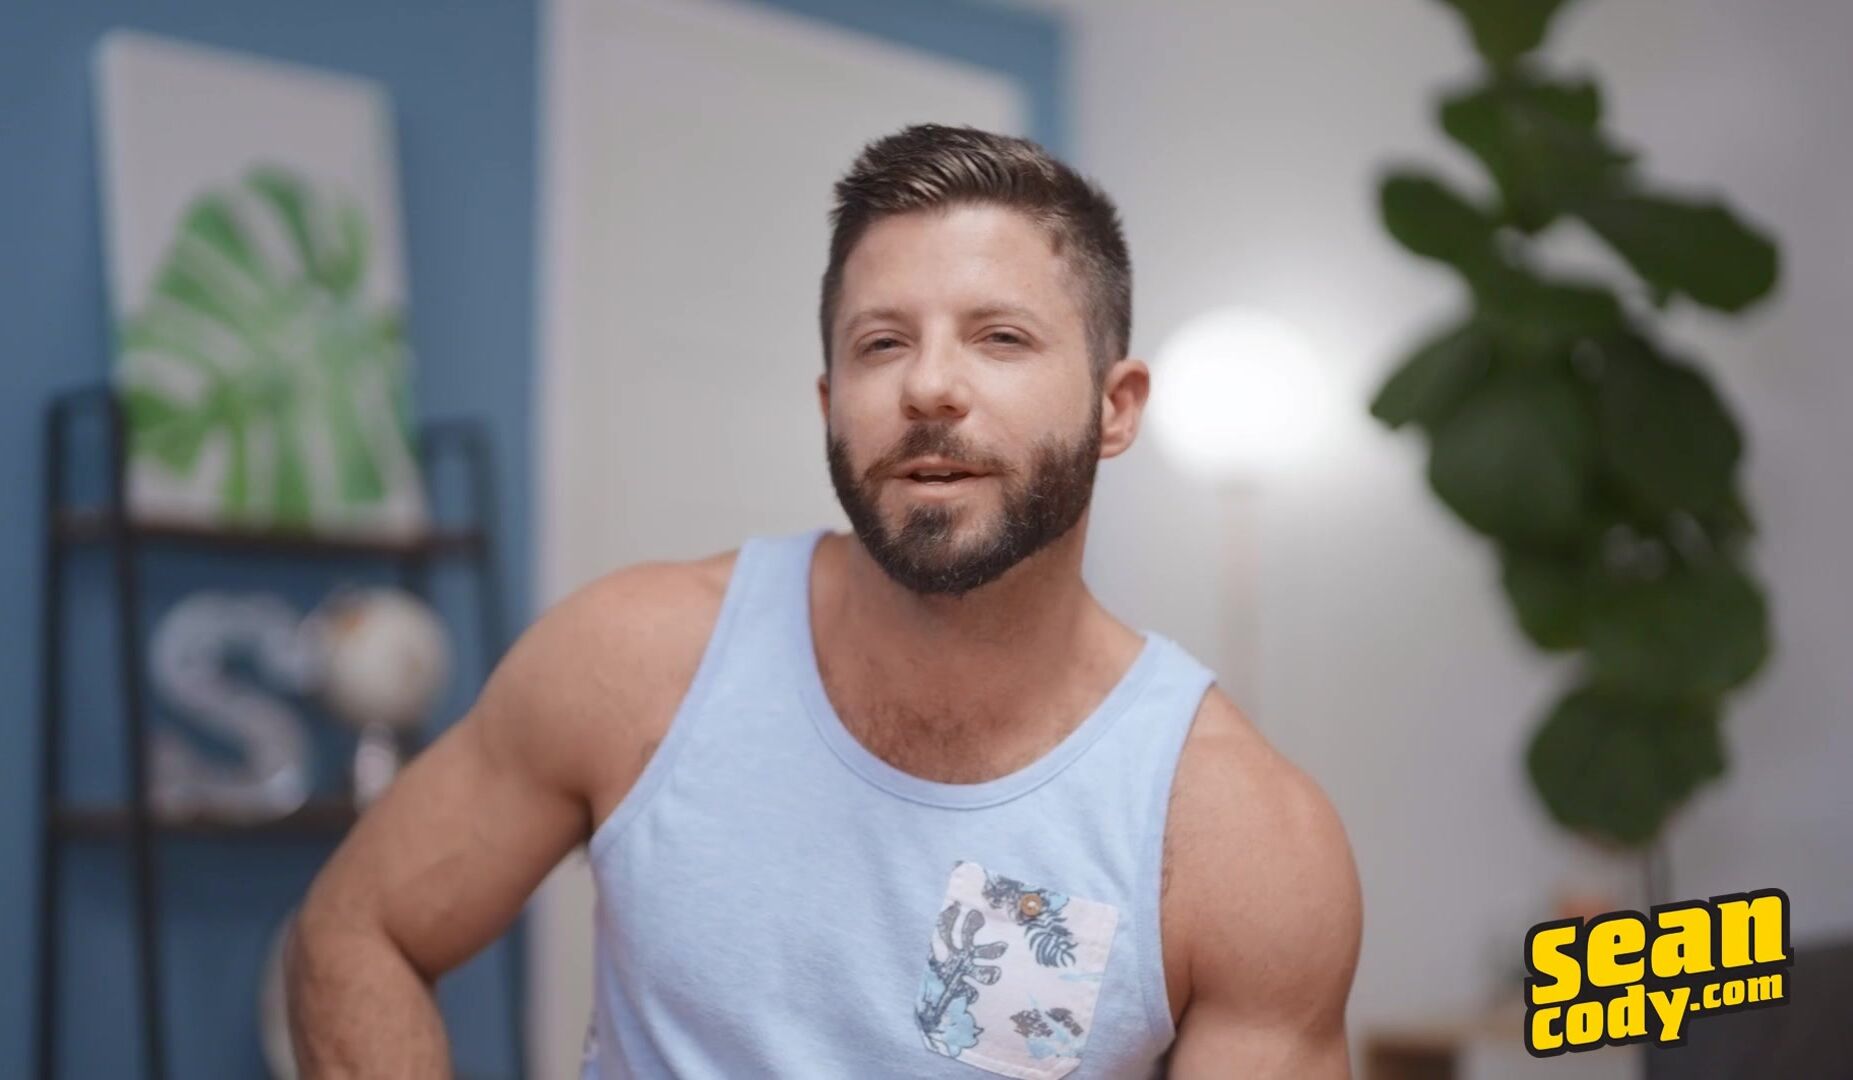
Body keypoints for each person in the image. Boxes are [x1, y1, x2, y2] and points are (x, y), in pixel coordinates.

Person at [286, 123, 1362, 1079]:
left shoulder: (1237, 837)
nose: (927, 386)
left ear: (1114, 407)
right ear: (829, 403)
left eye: (999, 337)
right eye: (880, 344)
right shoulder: (636, 659)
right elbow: (357, 931)